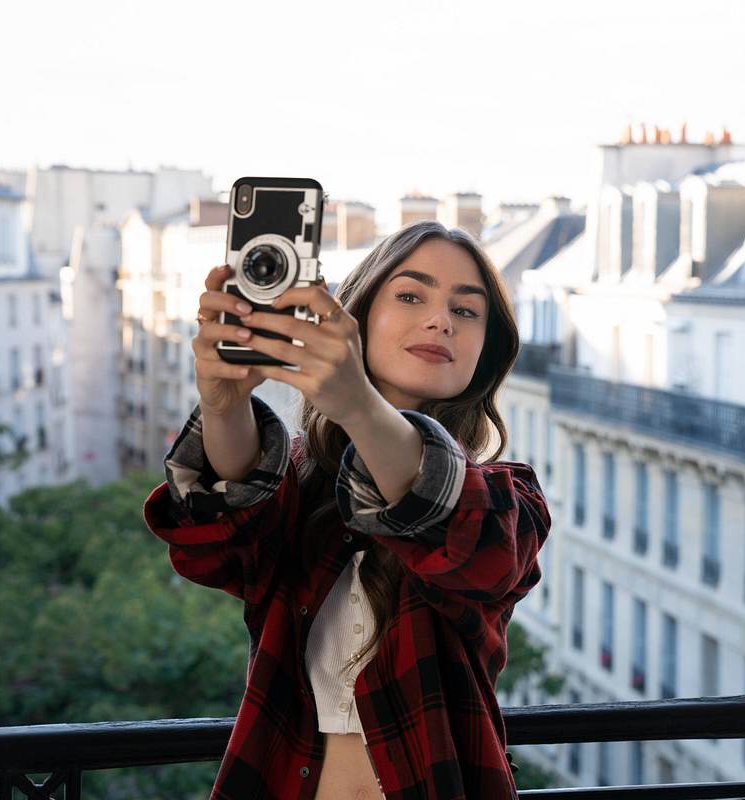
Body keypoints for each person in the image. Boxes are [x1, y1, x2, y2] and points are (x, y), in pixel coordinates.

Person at [143, 219, 550, 800]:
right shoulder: (300, 486)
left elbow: (468, 539)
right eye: (411, 295)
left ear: (486, 354)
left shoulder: (508, 499)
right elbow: (213, 541)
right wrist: (223, 403)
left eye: (467, 311)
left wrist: (357, 401)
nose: (440, 320)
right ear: (357, 318)